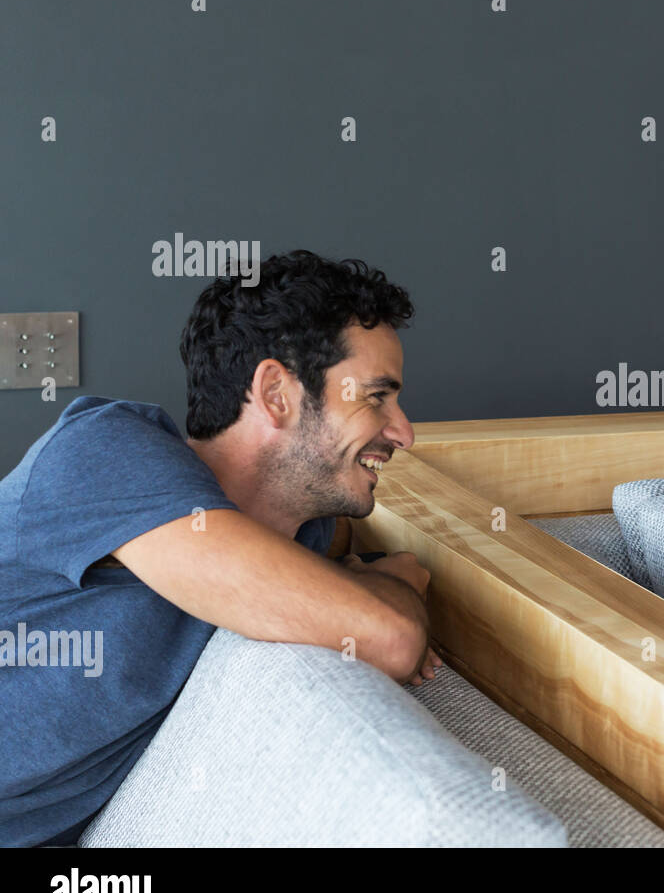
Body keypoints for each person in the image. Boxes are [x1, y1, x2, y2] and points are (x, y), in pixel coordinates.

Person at [0, 250, 440, 847]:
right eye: (375, 397)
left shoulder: (301, 530)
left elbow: (342, 563)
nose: (404, 432)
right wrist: (395, 584)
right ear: (277, 393)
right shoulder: (104, 454)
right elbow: (390, 636)